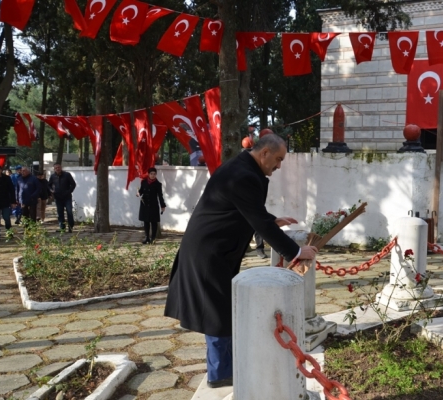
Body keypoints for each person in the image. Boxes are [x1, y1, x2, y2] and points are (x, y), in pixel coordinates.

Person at [164, 134, 318, 388]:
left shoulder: (242, 168)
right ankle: (219, 373)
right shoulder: (244, 175)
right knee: (214, 312)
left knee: (221, 309)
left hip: (216, 249)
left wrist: (270, 220)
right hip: (208, 252)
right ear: (265, 153)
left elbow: (243, 209)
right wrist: (298, 253)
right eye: (278, 159)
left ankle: (227, 366)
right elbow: (255, 218)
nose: (279, 166)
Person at [136, 167, 166, 244]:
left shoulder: (158, 184)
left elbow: (160, 196)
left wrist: (163, 205)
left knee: (154, 222)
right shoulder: (144, 182)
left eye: (154, 174)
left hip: (153, 205)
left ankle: (153, 238)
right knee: (146, 221)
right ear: (148, 174)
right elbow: (141, 191)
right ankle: (147, 238)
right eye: (151, 174)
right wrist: (138, 193)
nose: (153, 175)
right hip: (145, 204)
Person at [48, 163, 76, 233]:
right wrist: (51, 190)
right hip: (58, 197)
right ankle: (62, 228)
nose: (57, 169)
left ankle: (70, 227)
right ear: (54, 169)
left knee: (69, 212)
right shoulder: (53, 176)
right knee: (60, 213)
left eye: (59, 167)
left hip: (67, 197)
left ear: (61, 167)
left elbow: (73, 184)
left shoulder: (67, 175)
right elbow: (49, 185)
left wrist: (69, 191)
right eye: (56, 168)